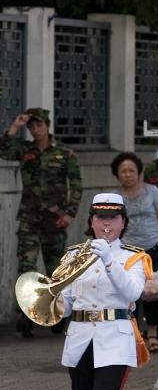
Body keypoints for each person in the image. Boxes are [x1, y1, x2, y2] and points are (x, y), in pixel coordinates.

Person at [57, 194, 150, 390]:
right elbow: (65, 302)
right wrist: (51, 300)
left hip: (116, 338)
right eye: (99, 218)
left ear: (123, 222)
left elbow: (133, 292)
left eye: (112, 218)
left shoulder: (133, 258)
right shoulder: (73, 255)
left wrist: (109, 261)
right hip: (81, 338)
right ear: (91, 222)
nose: (106, 224)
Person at [2, 108, 83, 338]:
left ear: (47, 125)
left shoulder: (65, 153)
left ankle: (58, 312)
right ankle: (25, 317)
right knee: (26, 267)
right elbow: (3, 149)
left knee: (55, 268)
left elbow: (76, 184)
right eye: (31, 127)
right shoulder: (25, 150)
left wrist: (70, 213)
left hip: (54, 220)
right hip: (29, 217)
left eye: (39, 126)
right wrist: (15, 126)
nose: (35, 130)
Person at [112, 152, 158, 352]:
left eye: (131, 170)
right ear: (117, 175)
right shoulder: (114, 197)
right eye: (123, 171)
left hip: (153, 248)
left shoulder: (152, 191)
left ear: (139, 172)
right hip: (127, 251)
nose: (128, 174)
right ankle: (132, 334)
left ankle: (152, 334)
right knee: (129, 293)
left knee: (151, 292)